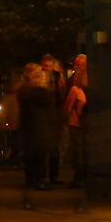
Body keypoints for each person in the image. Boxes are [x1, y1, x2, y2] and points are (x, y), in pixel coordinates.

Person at [19, 65, 56, 195]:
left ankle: (31, 180)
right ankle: (41, 180)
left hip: (31, 129)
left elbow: (24, 114)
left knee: (30, 156)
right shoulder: (48, 96)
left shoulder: (27, 96)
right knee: (41, 158)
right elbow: (52, 114)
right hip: (44, 129)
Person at [41, 54, 68, 184]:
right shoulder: (39, 76)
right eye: (45, 65)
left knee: (55, 147)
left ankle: (53, 174)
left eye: (49, 66)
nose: (47, 68)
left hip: (55, 113)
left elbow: (61, 92)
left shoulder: (57, 76)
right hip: (45, 115)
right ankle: (45, 174)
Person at [65, 67, 88, 189]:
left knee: (77, 152)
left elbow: (68, 107)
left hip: (75, 123)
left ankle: (78, 179)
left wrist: (64, 118)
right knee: (83, 152)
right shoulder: (87, 91)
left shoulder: (75, 90)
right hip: (85, 124)